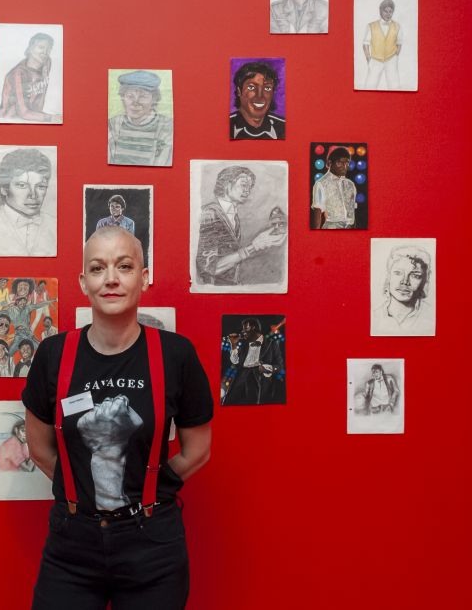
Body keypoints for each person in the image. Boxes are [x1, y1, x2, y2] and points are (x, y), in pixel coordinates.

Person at [23, 226, 213, 609]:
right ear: (83, 282)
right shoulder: (53, 355)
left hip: (152, 546)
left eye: (124, 266)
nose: (111, 278)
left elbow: (198, 450)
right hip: (72, 543)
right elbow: (41, 450)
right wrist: (85, 492)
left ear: (143, 278)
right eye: (97, 268)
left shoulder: (176, 354)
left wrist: (150, 490)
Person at [196, 166, 287, 285]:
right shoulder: (210, 214)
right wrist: (254, 246)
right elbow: (209, 267)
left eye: (250, 187)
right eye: (244, 185)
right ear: (227, 185)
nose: (248, 191)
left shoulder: (233, 215)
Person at [0, 148, 56, 256]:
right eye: (22, 185)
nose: (33, 195)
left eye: (41, 186)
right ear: (4, 189)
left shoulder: (56, 226)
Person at [108, 70, 173, 166]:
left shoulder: (167, 126)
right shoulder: (113, 125)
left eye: (143, 96)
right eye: (130, 96)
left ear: (154, 99)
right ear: (123, 98)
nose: (135, 102)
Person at [371, 244, 435, 335]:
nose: (405, 282)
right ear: (388, 276)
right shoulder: (374, 316)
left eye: (415, 275)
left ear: (424, 281)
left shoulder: (431, 315)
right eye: (398, 273)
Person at [0, 33, 61, 123]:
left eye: (49, 49)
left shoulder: (47, 62)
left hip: (35, 118)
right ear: (30, 48)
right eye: (41, 47)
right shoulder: (18, 73)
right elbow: (22, 112)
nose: (45, 52)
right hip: (11, 120)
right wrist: (51, 118)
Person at [222, 318, 284, 405]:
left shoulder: (271, 344)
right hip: (241, 376)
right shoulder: (244, 345)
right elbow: (235, 361)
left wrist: (265, 368)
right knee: (229, 402)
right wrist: (233, 345)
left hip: (259, 377)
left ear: (254, 328)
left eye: (245, 329)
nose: (243, 332)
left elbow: (279, 365)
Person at [229, 62, 286, 139]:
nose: (260, 96)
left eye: (267, 88)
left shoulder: (282, 126)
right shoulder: (228, 125)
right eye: (251, 87)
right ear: (239, 91)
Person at [311, 146, 358, 229]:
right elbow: (317, 214)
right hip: (331, 228)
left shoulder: (350, 185)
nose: (345, 166)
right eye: (339, 163)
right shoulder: (321, 184)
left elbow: (352, 212)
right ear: (329, 163)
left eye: (347, 163)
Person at [363, 0, 404, 90]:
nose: (388, 14)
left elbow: (399, 43)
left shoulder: (397, 26)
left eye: (390, 12)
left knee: (394, 87)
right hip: (375, 60)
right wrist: (369, 59)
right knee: (369, 86)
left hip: (391, 60)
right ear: (380, 11)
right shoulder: (371, 26)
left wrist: (395, 56)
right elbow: (365, 44)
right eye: (386, 11)